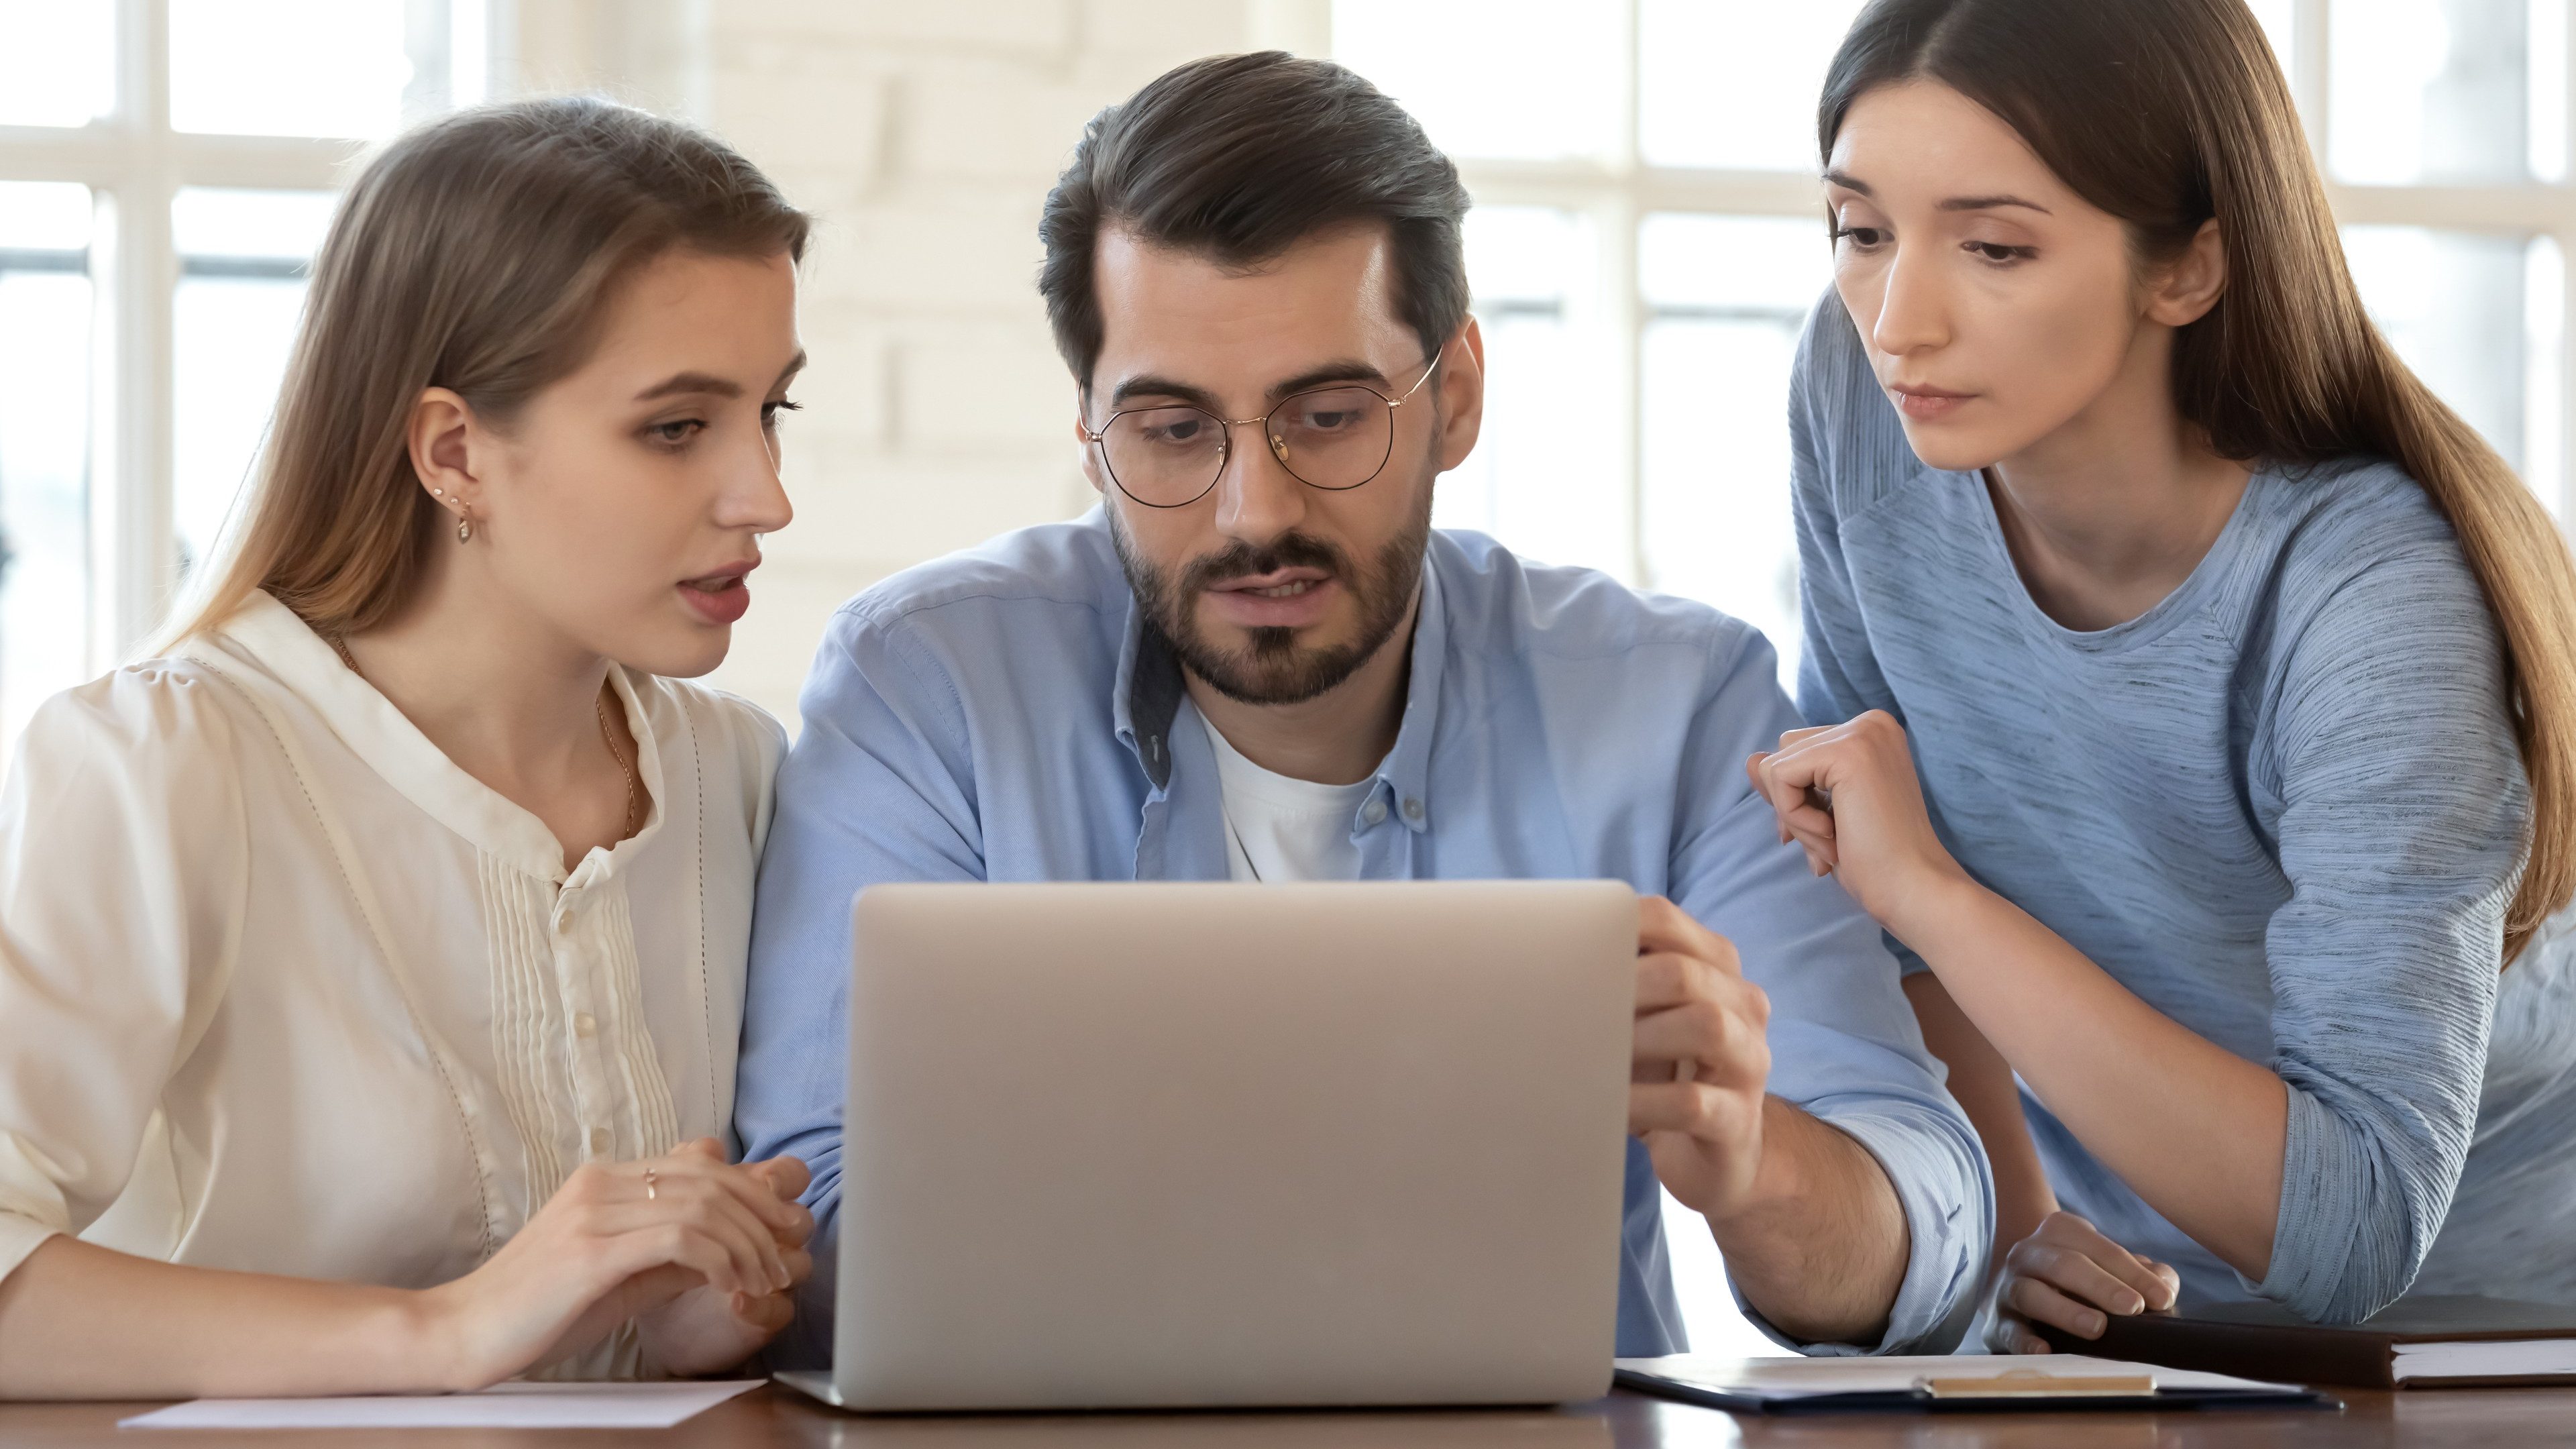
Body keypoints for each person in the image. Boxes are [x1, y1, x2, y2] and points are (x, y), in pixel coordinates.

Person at [737, 52, 1993, 1368]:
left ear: (1454, 397)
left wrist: (1748, 1161)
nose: (1255, 511)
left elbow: (1919, 1244)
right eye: (1171, 432)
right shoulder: (928, 684)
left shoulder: (1674, 703)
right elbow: (803, 1236)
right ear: (1092, 430)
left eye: (1328, 417)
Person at [1745, 0, 2576, 1354]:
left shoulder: (2371, 599)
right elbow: (1877, 897)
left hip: (2505, 1345)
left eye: (1996, 246)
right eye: (1861, 231)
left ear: (2187, 266)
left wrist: (1937, 896)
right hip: (2158, 1336)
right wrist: (2005, 1250)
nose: (1898, 322)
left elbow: (2354, 1227)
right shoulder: (1858, 402)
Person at [0, 97, 820, 1398]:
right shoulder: (164, 766)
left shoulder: (744, 773)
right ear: (454, 453)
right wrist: (446, 1330)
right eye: (677, 427)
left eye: (773, 411)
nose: (767, 495)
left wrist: (696, 1312)